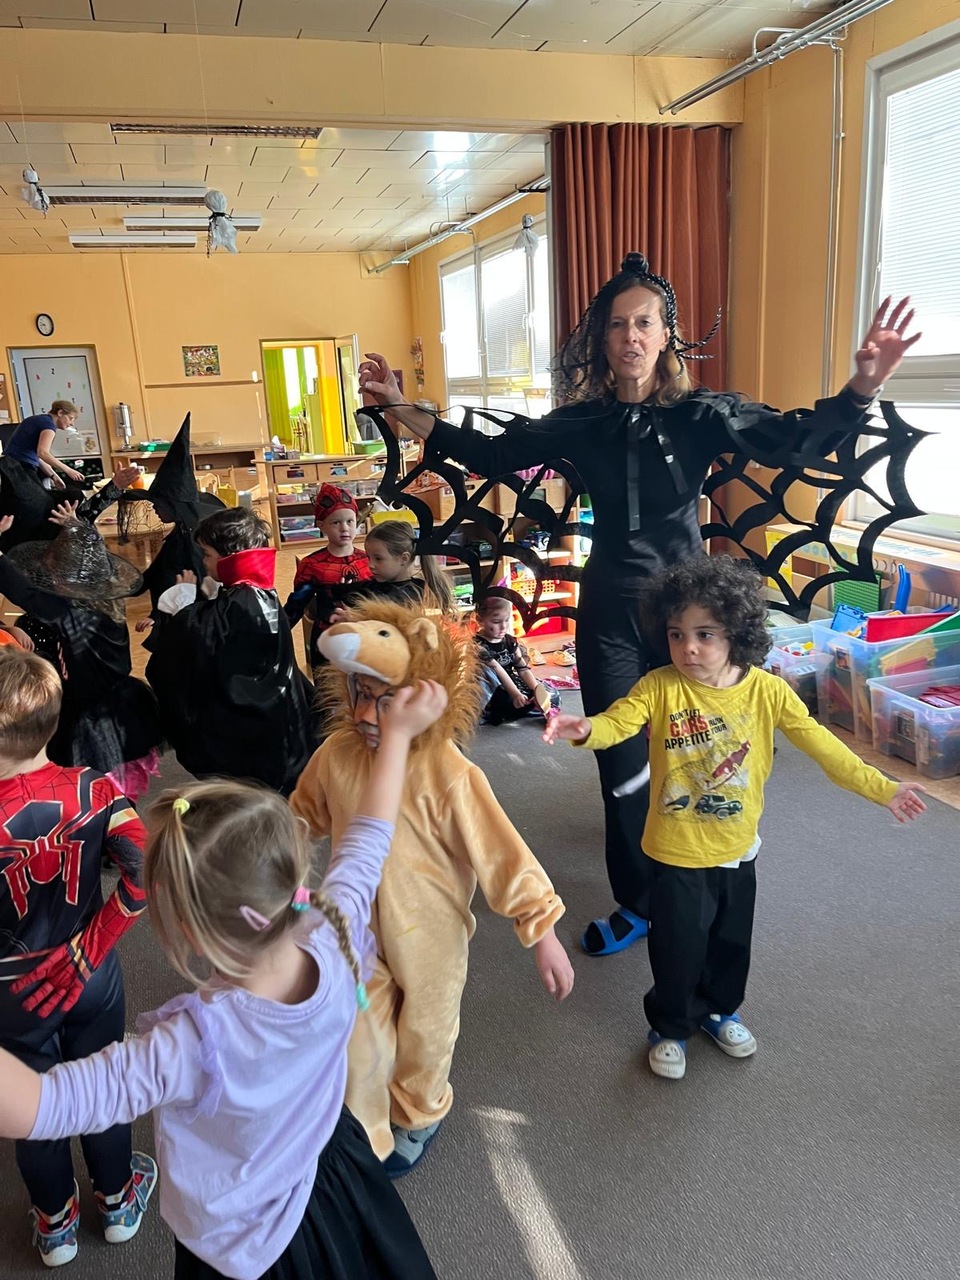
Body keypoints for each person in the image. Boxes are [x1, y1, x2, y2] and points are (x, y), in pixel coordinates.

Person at [359, 258, 920, 957]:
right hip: (610, 613)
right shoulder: (582, 422)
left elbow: (793, 443)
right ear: (602, 340)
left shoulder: (702, 415)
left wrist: (864, 386)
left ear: (665, 336)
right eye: (618, 324)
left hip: (689, 615)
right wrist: (398, 405)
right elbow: (488, 453)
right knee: (620, 761)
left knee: (702, 748)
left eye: (644, 323)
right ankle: (639, 902)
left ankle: (705, 872)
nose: (631, 336)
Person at [0, 679, 446, 1280]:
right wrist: (397, 736)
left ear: (189, 931)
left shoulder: (192, 1043)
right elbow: (368, 839)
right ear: (291, 868)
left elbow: (46, 1105)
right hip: (334, 1173)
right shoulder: (336, 932)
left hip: (242, 1241)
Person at [544, 555, 926, 1081]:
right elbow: (619, 722)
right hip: (676, 850)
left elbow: (826, 749)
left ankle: (720, 1010)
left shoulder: (768, 692)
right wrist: (585, 729)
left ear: (737, 634)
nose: (688, 648)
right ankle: (671, 1026)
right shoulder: (659, 686)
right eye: (676, 635)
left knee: (730, 943)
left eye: (705, 634)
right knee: (678, 947)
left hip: (738, 847)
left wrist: (883, 789)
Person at [291, 599, 574, 1176]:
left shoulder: (449, 771)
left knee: (425, 1034)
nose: (367, 714)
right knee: (359, 1034)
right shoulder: (336, 755)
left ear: (424, 700)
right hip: (353, 929)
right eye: (360, 695)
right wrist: (271, 874)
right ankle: (366, 1123)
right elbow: (300, 819)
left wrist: (541, 928)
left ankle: (419, 1112)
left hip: (432, 938)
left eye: (387, 701)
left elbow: (500, 852)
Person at [0, 647, 156, 1267]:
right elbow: (145, 872)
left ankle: (55, 1222)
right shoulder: (97, 788)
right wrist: (91, 947)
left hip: (12, 993)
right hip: (90, 974)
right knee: (101, 1081)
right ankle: (117, 1199)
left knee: (33, 1103)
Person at [145, 505, 314, 795]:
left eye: (207, 555)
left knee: (254, 785)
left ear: (230, 556)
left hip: (251, 725)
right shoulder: (256, 591)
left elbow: (198, 643)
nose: (204, 562)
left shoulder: (240, 601)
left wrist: (183, 611)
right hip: (276, 713)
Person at [0, 511, 163, 799]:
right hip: (123, 703)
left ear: (68, 582)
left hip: (92, 715)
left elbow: (25, 594)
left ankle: (108, 817)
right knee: (119, 776)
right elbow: (92, 554)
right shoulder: (106, 601)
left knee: (98, 781)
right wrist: (77, 527)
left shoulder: (70, 614)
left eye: (55, 576)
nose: (51, 581)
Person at [283, 484, 373, 678]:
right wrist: (276, 632)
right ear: (321, 525)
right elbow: (296, 605)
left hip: (365, 639)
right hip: (327, 640)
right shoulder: (311, 564)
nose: (344, 528)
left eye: (350, 521)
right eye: (336, 523)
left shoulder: (370, 559)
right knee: (327, 690)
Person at [0, 401, 86, 550]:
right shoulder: (48, 425)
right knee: (39, 507)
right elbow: (43, 453)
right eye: (71, 418)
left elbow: (37, 457)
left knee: (43, 503)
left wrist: (54, 476)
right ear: (60, 413)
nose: (71, 423)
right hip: (17, 469)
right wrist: (68, 470)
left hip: (14, 467)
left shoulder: (39, 420)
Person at [332, 518, 457, 617]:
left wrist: (353, 616)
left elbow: (378, 608)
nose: (370, 565)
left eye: (378, 559)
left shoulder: (411, 593)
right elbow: (340, 592)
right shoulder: (378, 584)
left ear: (404, 558)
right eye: (368, 558)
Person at [473, 594, 561, 724]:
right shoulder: (478, 645)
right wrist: (515, 694)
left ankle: (522, 706)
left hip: (511, 680)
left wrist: (537, 692)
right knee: (506, 701)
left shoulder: (510, 641)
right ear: (480, 620)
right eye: (496, 622)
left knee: (551, 696)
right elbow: (497, 668)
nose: (503, 626)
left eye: (507, 620)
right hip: (492, 686)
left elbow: (523, 669)